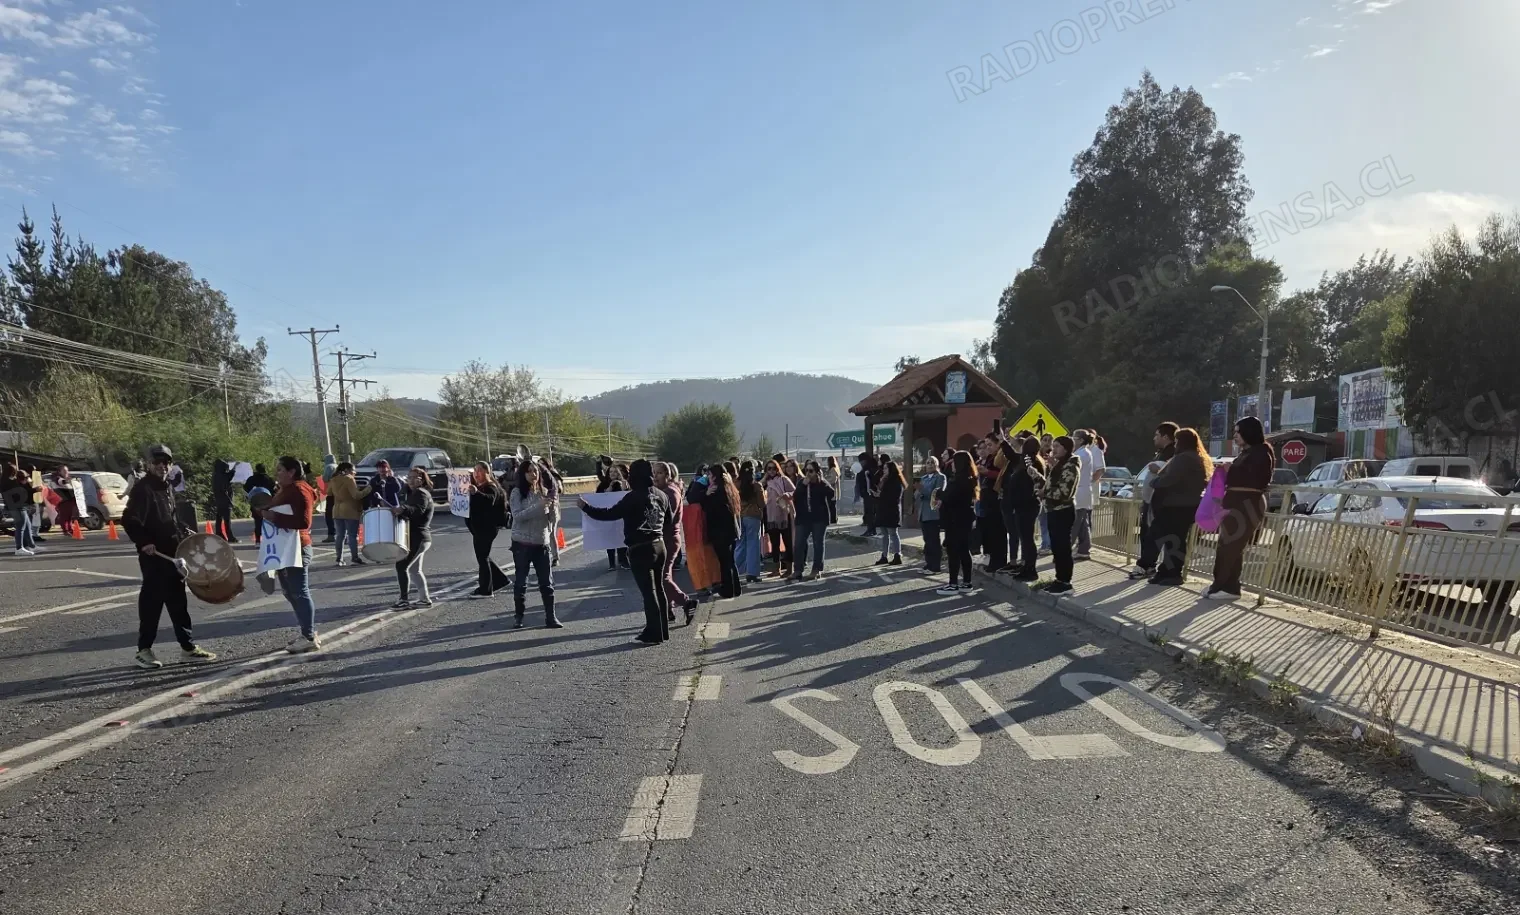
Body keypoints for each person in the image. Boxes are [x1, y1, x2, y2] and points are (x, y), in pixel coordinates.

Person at [122, 445, 216, 668]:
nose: (162, 466)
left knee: (178, 603)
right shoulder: (142, 489)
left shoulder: (167, 488)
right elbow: (129, 520)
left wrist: (185, 531)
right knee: (152, 604)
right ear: (149, 465)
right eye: (157, 462)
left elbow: (171, 519)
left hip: (173, 555)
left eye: (166, 462)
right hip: (155, 557)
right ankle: (143, 650)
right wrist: (144, 542)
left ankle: (188, 648)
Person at [580, 459, 676, 644]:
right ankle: (662, 629)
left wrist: (586, 507)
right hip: (659, 545)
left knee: (648, 593)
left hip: (640, 548)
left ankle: (653, 633)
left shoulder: (633, 497)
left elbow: (609, 514)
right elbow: (669, 522)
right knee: (659, 589)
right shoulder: (661, 495)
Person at [1208, 416, 1276, 601]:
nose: (1235, 436)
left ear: (1249, 432)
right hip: (1235, 502)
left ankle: (1226, 587)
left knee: (1231, 545)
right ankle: (1226, 585)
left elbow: (1257, 479)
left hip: (1248, 504)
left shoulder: (1262, 453)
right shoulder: (1246, 452)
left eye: (1238, 432)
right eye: (1235, 432)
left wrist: (1231, 470)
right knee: (1226, 545)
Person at [262, 455, 321, 652]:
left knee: (299, 592)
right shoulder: (287, 489)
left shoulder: (299, 489)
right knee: (289, 592)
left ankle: (309, 636)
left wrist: (274, 517)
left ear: (291, 472)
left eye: (279, 469)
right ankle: (307, 631)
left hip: (297, 547)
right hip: (284, 547)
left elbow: (305, 522)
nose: (276, 473)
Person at [1148, 427, 1210, 587]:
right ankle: (1165, 572)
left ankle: (1173, 573)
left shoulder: (1184, 459)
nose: (1175, 445)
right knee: (1172, 540)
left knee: (1173, 540)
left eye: (1176, 442)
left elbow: (1170, 479)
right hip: (1183, 505)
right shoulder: (1195, 458)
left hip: (1177, 506)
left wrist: (1154, 482)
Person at [509, 461, 559, 628]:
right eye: (529, 471)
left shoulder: (544, 493)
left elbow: (552, 520)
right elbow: (518, 516)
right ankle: (519, 617)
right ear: (523, 474)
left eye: (535, 471)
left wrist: (554, 508)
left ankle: (551, 618)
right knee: (521, 582)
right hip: (522, 544)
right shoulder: (517, 493)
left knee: (547, 583)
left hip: (541, 543)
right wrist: (539, 506)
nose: (533, 474)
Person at [1129, 422, 1179, 580]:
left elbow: (1170, 475)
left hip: (1160, 502)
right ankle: (1148, 566)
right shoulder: (1162, 452)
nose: (1154, 438)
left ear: (1165, 437)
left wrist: (1157, 469)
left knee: (1153, 535)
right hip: (1151, 501)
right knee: (1146, 534)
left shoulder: (1173, 454)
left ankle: (1147, 565)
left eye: (1156, 435)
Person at [654, 462, 699, 618]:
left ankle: (686, 601)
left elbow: (668, 519)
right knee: (666, 575)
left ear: (668, 475)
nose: (655, 476)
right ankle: (668, 609)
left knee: (662, 576)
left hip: (669, 538)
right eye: (654, 473)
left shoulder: (670, 493)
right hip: (666, 538)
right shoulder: (665, 490)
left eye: (659, 473)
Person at [390, 465, 436, 610]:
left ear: (421, 480)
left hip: (419, 537)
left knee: (401, 566)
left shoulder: (421, 493)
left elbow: (418, 510)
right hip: (419, 537)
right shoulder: (413, 493)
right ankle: (424, 599)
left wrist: (403, 509)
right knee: (414, 570)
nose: (409, 480)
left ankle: (404, 600)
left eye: (412, 478)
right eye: (408, 477)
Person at [935, 450, 979, 595]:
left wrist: (939, 493)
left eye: (954, 461)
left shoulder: (959, 480)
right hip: (964, 519)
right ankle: (967, 582)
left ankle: (953, 584)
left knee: (954, 551)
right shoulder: (969, 478)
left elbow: (949, 497)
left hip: (955, 520)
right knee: (964, 550)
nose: (951, 464)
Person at [1042, 435, 1082, 594]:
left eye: (1057, 446)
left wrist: (1044, 493)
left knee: (1063, 548)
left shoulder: (1070, 467)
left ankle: (1066, 582)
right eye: (1053, 446)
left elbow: (1064, 492)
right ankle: (1059, 579)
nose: (1053, 449)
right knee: (1057, 548)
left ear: (1066, 448)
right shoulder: (1060, 465)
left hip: (1063, 510)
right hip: (1053, 510)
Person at [1005, 437, 1046, 581]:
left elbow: (1035, 483)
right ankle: (1026, 567)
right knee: (1025, 538)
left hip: (1028, 505)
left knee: (1028, 539)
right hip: (1022, 505)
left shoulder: (1033, 463)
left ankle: (1031, 570)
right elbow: (1011, 455)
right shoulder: (1026, 461)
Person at [702, 465, 742, 601]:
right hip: (731, 530)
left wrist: (706, 495)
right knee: (730, 561)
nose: (708, 477)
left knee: (724, 562)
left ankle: (728, 590)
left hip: (720, 532)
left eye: (710, 475)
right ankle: (736, 588)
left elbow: (710, 509)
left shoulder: (715, 491)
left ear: (715, 476)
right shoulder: (729, 488)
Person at [466, 462, 506, 597]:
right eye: (474, 471)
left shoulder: (491, 487)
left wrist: (477, 493)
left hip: (487, 528)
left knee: (482, 558)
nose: (476, 473)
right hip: (479, 528)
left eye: (479, 470)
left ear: (487, 472)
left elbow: (489, 500)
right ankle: (500, 580)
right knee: (484, 556)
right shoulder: (479, 486)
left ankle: (485, 589)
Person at [682, 465, 720, 596]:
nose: (709, 477)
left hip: (708, 527)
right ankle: (703, 585)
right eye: (707, 473)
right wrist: (706, 494)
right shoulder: (699, 485)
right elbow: (691, 499)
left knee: (710, 556)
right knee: (700, 556)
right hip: (698, 528)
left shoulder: (715, 485)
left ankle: (714, 581)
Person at [793, 461, 835, 579]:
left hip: (819, 518)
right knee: (799, 544)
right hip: (803, 518)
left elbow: (831, 493)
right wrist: (803, 485)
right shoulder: (802, 482)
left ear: (817, 472)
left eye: (811, 471)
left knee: (818, 544)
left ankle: (816, 570)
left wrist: (821, 482)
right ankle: (797, 570)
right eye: (806, 470)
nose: (808, 473)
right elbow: (795, 497)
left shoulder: (821, 483)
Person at [327, 461, 369, 566]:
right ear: (347, 470)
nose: (355, 473)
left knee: (340, 535)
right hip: (350, 510)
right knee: (352, 535)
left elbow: (329, 493)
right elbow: (356, 495)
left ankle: (339, 559)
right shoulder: (349, 479)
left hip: (336, 510)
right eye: (353, 470)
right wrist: (368, 489)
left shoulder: (333, 479)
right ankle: (355, 557)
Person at [1072, 429, 1105, 560]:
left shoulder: (1083, 454)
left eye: (1074, 438)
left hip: (1081, 491)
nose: (1072, 440)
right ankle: (1084, 549)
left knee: (1075, 522)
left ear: (1080, 440)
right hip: (1082, 491)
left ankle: (1066, 550)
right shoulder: (1081, 452)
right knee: (1082, 522)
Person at [976, 437, 1008, 572]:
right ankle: (992, 560)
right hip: (986, 499)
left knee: (998, 532)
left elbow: (1003, 474)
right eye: (985, 445)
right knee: (989, 532)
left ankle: (999, 561)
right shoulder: (989, 459)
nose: (987, 448)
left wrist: (987, 472)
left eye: (990, 445)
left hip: (996, 499)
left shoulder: (1001, 458)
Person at [763, 459, 796, 578]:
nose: (772, 471)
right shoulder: (767, 482)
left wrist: (787, 495)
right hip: (771, 517)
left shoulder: (783, 480)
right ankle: (776, 569)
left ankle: (789, 569)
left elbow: (795, 491)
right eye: (769, 468)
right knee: (774, 544)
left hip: (784, 515)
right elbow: (758, 488)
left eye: (774, 468)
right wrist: (765, 477)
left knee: (788, 542)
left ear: (778, 469)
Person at [736, 459, 766, 583]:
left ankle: (734, 570)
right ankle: (752, 573)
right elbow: (761, 504)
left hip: (739, 516)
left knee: (740, 545)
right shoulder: (756, 486)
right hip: (753, 516)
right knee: (753, 544)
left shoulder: (736, 484)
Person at [597, 460, 630, 570]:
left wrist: (623, 486)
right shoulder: (604, 484)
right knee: (610, 540)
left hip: (621, 516)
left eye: (615, 472)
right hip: (609, 515)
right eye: (611, 472)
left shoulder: (624, 482)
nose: (613, 474)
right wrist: (609, 488)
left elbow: (628, 494)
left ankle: (623, 561)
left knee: (622, 538)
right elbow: (599, 498)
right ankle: (611, 563)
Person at [916, 456, 946, 574]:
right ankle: (929, 564)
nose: (930, 465)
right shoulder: (923, 478)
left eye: (933, 463)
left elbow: (936, 493)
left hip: (933, 513)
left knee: (934, 540)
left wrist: (922, 490)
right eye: (928, 463)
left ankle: (935, 566)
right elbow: (918, 496)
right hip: (923, 512)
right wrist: (918, 491)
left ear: (937, 465)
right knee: (927, 540)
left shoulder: (940, 477)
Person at [3, 462, 39, 556]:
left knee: (26, 525)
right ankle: (19, 548)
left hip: (15, 506)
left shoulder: (5, 481)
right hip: (17, 506)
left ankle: (31, 545)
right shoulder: (11, 482)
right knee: (21, 527)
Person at [874, 458, 905, 566]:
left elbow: (894, 496)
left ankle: (897, 555)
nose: (884, 470)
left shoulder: (896, 481)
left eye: (886, 468)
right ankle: (884, 556)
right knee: (884, 534)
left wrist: (881, 495)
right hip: (883, 509)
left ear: (891, 469)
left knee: (893, 533)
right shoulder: (884, 479)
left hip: (891, 510)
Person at [538, 456, 565, 566]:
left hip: (553, 506)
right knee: (543, 532)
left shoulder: (553, 475)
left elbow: (560, 489)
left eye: (542, 464)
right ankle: (544, 556)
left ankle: (555, 557)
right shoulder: (537, 476)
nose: (540, 467)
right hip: (542, 505)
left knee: (551, 532)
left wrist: (550, 489)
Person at [243, 462, 276, 545]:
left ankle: (258, 541)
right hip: (268, 502)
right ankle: (269, 539)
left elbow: (246, 488)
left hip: (256, 503)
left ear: (256, 469)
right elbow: (274, 490)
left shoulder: (252, 479)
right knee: (269, 521)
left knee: (258, 522)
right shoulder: (269, 479)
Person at [210, 459, 238, 542]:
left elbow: (228, 476)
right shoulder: (222, 476)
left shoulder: (215, 475)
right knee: (227, 520)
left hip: (219, 500)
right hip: (225, 501)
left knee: (219, 519)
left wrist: (233, 468)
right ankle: (230, 537)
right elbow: (228, 478)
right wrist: (229, 501)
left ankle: (219, 535)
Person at [50, 466, 80, 538]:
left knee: (69, 516)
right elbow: (61, 482)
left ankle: (70, 529)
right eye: (64, 471)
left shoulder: (65, 478)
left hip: (69, 500)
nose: (66, 472)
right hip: (63, 501)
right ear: (60, 472)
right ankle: (66, 530)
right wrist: (68, 480)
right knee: (64, 516)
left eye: (67, 470)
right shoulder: (57, 478)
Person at [857, 452, 878, 536]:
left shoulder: (868, 469)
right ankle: (871, 529)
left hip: (870, 493)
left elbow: (867, 480)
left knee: (870, 513)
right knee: (870, 513)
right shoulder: (870, 467)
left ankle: (871, 530)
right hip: (868, 493)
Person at [321, 453, 338, 543]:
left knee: (329, 515)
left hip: (331, 493)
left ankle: (331, 535)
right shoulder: (338, 466)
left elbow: (325, 479)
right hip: (340, 493)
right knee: (340, 515)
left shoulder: (329, 467)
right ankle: (345, 535)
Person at [824, 456, 841, 525]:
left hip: (832, 490)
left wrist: (826, 481)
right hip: (830, 490)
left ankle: (833, 519)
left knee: (832, 506)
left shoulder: (833, 469)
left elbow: (833, 479)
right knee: (831, 505)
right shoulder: (831, 469)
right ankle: (833, 519)